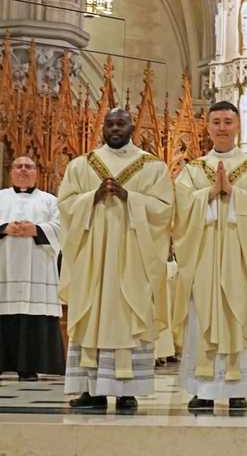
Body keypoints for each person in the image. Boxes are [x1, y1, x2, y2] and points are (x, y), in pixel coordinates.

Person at [59, 108, 174, 410]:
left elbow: (165, 210)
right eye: (109, 124)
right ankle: (90, 389)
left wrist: (129, 198)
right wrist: (91, 198)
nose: (114, 128)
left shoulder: (153, 168)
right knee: (91, 313)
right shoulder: (81, 166)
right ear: (103, 127)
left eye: (121, 123)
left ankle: (127, 389)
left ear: (132, 126)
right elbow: (66, 206)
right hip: (92, 258)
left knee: (129, 314)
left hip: (133, 257)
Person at [174, 101, 247, 411]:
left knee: (238, 312)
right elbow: (180, 207)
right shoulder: (193, 170)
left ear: (238, 126)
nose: (221, 127)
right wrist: (208, 193)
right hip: (204, 254)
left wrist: (234, 193)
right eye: (216, 121)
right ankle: (202, 387)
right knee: (202, 314)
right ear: (207, 126)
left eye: (227, 121)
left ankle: (237, 388)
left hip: (239, 255)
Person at [0, 156, 65, 381]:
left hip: (38, 267)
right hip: (4, 267)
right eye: (19, 166)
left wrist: (36, 229)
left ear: (37, 172)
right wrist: (4, 228)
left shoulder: (50, 201)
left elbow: (62, 228)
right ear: (11, 171)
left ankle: (30, 366)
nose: (24, 170)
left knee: (33, 316)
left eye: (29, 167)